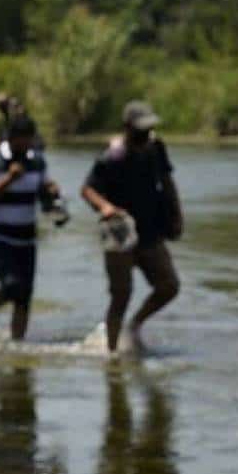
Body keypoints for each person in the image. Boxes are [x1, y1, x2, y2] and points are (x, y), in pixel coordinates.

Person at [81, 101, 183, 353]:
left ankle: (135, 325)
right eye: (140, 131)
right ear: (127, 129)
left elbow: (168, 181)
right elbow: (87, 190)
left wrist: (177, 215)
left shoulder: (156, 148)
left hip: (150, 229)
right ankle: (112, 353)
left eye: (148, 130)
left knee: (169, 286)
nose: (145, 136)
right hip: (119, 230)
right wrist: (104, 207)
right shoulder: (111, 156)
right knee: (121, 295)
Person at [0, 115, 61, 341]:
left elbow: (44, 196)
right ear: (10, 139)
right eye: (22, 141)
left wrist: (51, 194)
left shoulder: (38, 161)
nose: (26, 146)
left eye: (30, 141)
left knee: (24, 296)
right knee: (12, 286)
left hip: (26, 237)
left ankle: (17, 344)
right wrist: (8, 179)